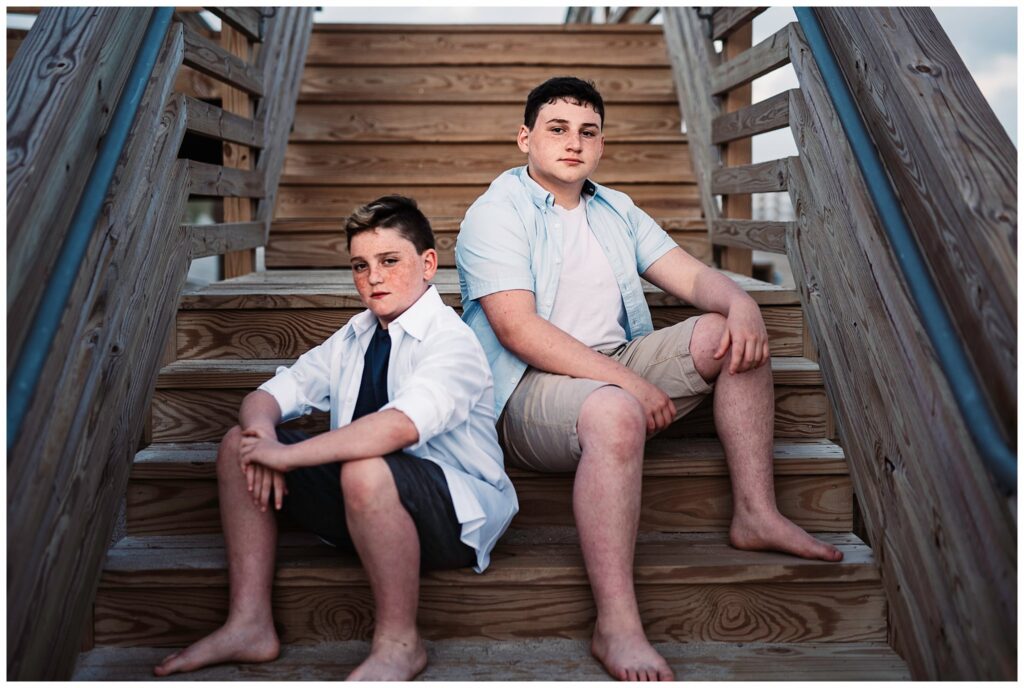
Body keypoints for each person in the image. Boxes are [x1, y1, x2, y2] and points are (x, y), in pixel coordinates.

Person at [455, 77, 843, 682]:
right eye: (557, 129)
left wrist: (741, 305)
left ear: (602, 143)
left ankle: (755, 512)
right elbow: (517, 330)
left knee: (728, 333)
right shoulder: (495, 213)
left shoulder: (615, 209)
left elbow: (690, 278)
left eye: (587, 132)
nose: (573, 143)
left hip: (613, 362)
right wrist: (628, 385)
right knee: (615, 410)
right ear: (525, 138)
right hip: (526, 391)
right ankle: (616, 623)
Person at [154, 195, 518, 681]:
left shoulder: (450, 341)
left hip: (454, 514)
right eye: (360, 266)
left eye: (390, 261)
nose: (374, 278)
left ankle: (400, 645)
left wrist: (287, 456)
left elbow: (398, 427)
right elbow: (271, 394)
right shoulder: (356, 334)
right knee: (236, 445)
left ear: (428, 264)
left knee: (365, 469)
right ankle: (249, 623)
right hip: (365, 503)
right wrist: (261, 435)